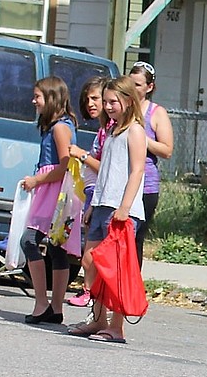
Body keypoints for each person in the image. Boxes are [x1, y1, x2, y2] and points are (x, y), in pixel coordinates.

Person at [66, 76, 147, 345]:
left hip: (121, 209)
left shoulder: (134, 131)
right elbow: (105, 174)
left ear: (127, 100)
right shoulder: (112, 131)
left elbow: (137, 171)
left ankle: (116, 327)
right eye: (106, 101)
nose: (109, 106)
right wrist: (92, 205)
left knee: (115, 269)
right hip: (102, 205)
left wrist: (125, 207)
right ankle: (99, 319)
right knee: (91, 262)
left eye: (114, 102)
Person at [19, 76, 79, 325]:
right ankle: (53, 307)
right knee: (55, 247)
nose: (34, 101)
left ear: (51, 98)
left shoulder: (60, 128)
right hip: (51, 189)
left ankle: (43, 302)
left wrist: (37, 180)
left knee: (30, 240)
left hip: (55, 192)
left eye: (38, 97)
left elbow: (65, 165)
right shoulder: (53, 126)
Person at [65, 76, 109, 308]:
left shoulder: (110, 131)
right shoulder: (101, 130)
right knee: (89, 251)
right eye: (87, 99)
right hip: (92, 193)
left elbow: (106, 169)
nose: (91, 103)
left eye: (95, 98)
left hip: (101, 195)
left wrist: (82, 155)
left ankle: (91, 293)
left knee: (91, 253)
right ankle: (91, 292)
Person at [128, 61, 173, 265]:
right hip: (120, 181)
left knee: (134, 238)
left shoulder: (156, 112)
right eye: (130, 83)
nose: (133, 88)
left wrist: (142, 139)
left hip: (145, 185)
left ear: (149, 87)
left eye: (138, 85)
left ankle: (132, 289)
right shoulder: (120, 107)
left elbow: (167, 150)